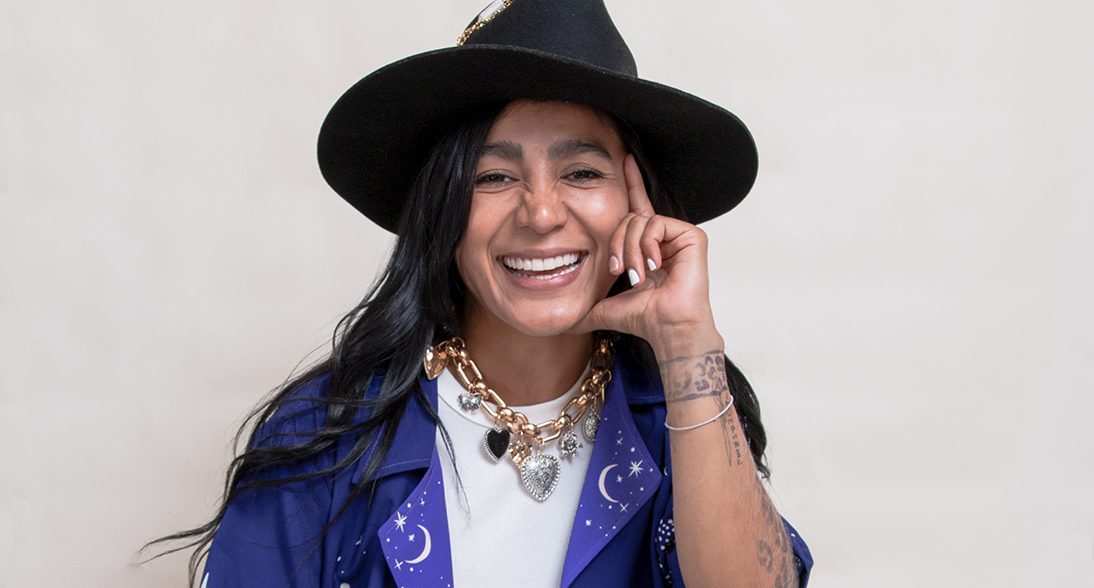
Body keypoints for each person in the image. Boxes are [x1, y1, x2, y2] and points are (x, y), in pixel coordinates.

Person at [145, 1, 814, 586]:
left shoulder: (680, 421)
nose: (542, 213)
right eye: (494, 177)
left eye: (582, 172)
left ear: (637, 203)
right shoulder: (323, 437)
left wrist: (687, 345)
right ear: (443, 210)